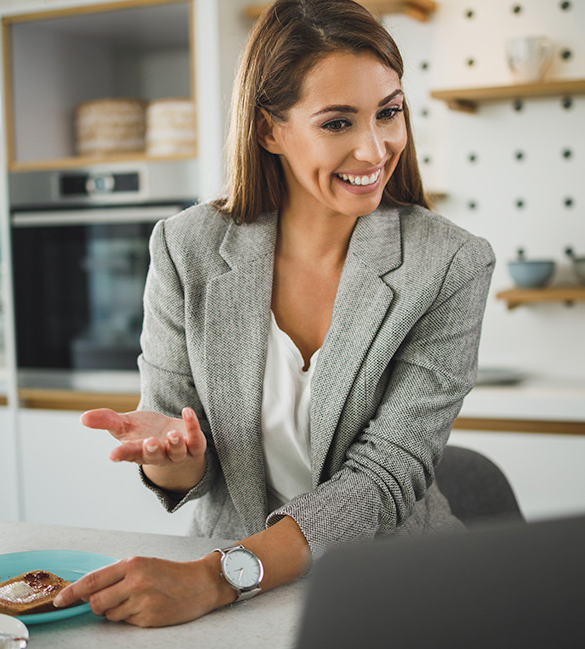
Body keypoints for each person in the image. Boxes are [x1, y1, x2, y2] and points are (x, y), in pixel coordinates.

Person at [52, 0, 495, 627]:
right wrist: (174, 460)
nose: (375, 148)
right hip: (228, 585)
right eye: (338, 122)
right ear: (269, 130)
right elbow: (177, 440)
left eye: (389, 112)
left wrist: (221, 577)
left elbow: (386, 474)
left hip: (392, 582)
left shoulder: (450, 263)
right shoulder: (186, 247)